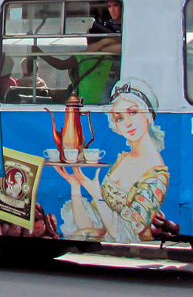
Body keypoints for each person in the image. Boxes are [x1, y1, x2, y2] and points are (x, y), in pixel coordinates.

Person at [55, 79, 169, 243]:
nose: (127, 123)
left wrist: (96, 193)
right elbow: (88, 228)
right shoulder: (123, 159)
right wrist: (75, 187)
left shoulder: (156, 176)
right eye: (119, 118)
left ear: (148, 114)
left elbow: (123, 234)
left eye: (133, 112)